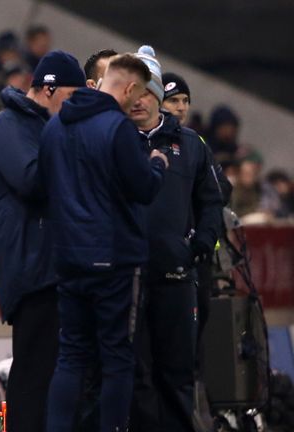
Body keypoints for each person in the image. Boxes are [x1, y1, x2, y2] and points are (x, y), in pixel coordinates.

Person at [39, 53, 168, 431]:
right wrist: (158, 163)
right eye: (139, 93)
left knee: (71, 356)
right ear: (128, 87)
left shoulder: (54, 126)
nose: (137, 103)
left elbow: (44, 185)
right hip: (114, 261)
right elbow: (143, 188)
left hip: (67, 258)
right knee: (117, 359)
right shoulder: (117, 128)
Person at [0, 50, 85, 432]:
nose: (74, 108)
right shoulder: (7, 126)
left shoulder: (46, 128)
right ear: (47, 90)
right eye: (71, 98)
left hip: (60, 267)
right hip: (34, 269)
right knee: (34, 378)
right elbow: (32, 180)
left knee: (62, 380)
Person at [126, 46, 224, 432]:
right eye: (130, 94)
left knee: (178, 373)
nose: (137, 101)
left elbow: (213, 199)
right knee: (137, 375)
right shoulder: (113, 140)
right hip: (127, 279)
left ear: (157, 97)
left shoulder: (192, 145)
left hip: (176, 276)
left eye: (145, 93)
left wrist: (202, 242)